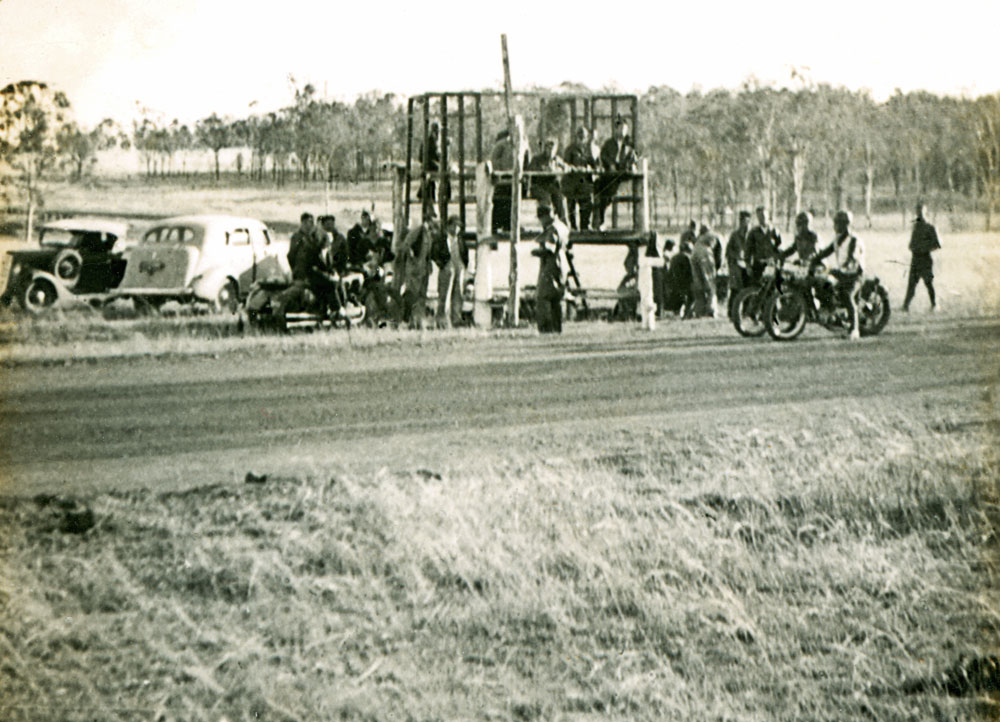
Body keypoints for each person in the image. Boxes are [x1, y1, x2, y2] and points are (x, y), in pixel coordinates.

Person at [812, 209, 865, 340]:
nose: (835, 226)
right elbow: (826, 251)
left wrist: (838, 270)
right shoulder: (837, 239)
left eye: (837, 223)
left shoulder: (854, 240)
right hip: (842, 274)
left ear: (846, 224)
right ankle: (835, 318)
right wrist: (814, 260)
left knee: (846, 295)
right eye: (835, 223)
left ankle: (854, 330)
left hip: (854, 275)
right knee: (825, 287)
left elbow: (852, 259)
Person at [531, 205, 569, 333]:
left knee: (543, 296)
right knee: (556, 297)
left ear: (545, 216)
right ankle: (557, 328)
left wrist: (535, 252)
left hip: (552, 263)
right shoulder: (562, 226)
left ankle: (545, 329)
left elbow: (549, 249)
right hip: (563, 263)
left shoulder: (552, 229)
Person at [595, 117, 638, 230]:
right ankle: (601, 220)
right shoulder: (609, 143)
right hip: (611, 173)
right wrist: (610, 164)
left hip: (624, 173)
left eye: (625, 129)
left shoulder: (629, 143)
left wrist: (631, 164)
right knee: (601, 187)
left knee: (609, 189)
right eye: (621, 129)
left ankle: (602, 218)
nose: (623, 131)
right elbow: (603, 155)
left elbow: (634, 156)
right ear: (616, 129)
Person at [397, 218, 438, 329]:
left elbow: (428, 252)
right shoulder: (418, 231)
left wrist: (429, 263)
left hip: (423, 271)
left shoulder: (429, 233)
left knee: (421, 296)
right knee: (411, 295)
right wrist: (412, 257)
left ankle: (418, 321)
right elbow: (405, 245)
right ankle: (405, 320)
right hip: (414, 270)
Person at [902, 202, 941, 312]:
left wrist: (925, 248)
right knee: (911, 284)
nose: (919, 214)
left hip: (925, 259)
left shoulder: (930, 227)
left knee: (928, 283)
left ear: (925, 212)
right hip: (915, 259)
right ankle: (905, 306)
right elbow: (912, 242)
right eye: (917, 211)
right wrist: (911, 246)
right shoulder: (916, 227)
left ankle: (934, 304)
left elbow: (937, 244)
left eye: (921, 211)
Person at [432, 215, 468, 328]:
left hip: (459, 268)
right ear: (449, 226)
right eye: (455, 225)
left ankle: (456, 319)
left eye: (459, 226)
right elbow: (434, 253)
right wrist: (442, 265)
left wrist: (463, 265)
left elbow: (465, 253)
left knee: (458, 294)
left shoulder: (460, 240)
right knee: (444, 295)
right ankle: (442, 320)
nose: (457, 228)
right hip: (447, 269)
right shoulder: (442, 239)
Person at [561, 126, 599, 231]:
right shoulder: (570, 149)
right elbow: (565, 164)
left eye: (584, 137)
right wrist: (574, 168)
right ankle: (572, 227)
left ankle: (584, 226)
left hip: (584, 182)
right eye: (580, 136)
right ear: (576, 137)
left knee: (587, 203)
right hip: (571, 181)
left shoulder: (588, 150)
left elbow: (595, 164)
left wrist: (589, 168)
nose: (582, 139)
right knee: (571, 205)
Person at [529, 137, 569, 223]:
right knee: (545, 200)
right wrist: (543, 169)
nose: (551, 151)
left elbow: (566, 167)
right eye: (548, 148)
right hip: (539, 186)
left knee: (560, 199)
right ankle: (547, 224)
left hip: (552, 187)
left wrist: (559, 169)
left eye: (553, 149)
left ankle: (564, 225)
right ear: (545, 148)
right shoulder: (537, 159)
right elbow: (530, 169)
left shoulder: (556, 159)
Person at [745, 205, 782, 285]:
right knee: (756, 287)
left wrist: (778, 261)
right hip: (758, 264)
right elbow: (748, 250)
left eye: (764, 216)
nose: (762, 218)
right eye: (760, 216)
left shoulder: (774, 231)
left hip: (771, 264)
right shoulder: (753, 232)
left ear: (768, 216)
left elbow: (779, 247)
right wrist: (748, 265)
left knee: (772, 288)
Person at [691, 223, 720, 318]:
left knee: (699, 287)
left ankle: (699, 311)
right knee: (710, 285)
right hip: (705, 257)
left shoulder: (697, 242)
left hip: (695, 257)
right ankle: (711, 310)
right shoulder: (710, 239)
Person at [726, 210, 751, 315]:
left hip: (749, 265)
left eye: (746, 221)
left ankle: (746, 312)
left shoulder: (751, 234)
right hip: (737, 266)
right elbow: (728, 251)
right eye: (742, 221)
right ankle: (731, 312)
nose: (744, 223)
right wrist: (736, 257)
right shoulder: (735, 235)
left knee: (749, 289)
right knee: (735, 289)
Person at [665, 240, 694, 317]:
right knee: (691, 297)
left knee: (678, 301)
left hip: (675, 283)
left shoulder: (674, 257)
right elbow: (691, 272)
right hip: (684, 284)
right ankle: (687, 314)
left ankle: (678, 314)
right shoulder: (687, 257)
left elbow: (670, 272)